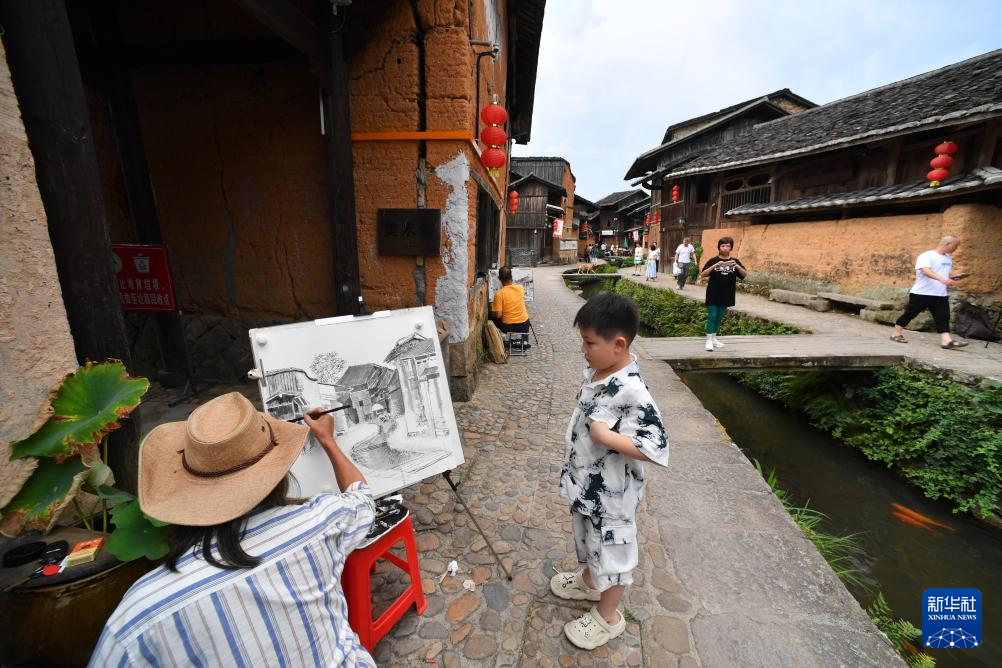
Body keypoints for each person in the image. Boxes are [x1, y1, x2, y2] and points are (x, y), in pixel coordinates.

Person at [89, 393, 376, 667]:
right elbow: (361, 498)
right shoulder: (318, 523)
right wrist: (328, 439)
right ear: (278, 474)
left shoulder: (141, 612)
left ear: (184, 488)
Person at [550, 292, 669, 650]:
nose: (583, 350)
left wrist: (607, 437)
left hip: (612, 497)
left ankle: (609, 616)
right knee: (588, 539)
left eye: (589, 343)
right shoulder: (599, 372)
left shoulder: (633, 390)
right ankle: (589, 581)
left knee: (613, 551)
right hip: (586, 486)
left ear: (618, 344)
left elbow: (656, 446)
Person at [891, 235, 970, 349]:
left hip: (940, 294)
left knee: (943, 317)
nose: (956, 249)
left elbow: (946, 273)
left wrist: (954, 276)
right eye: (955, 246)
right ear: (947, 244)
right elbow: (925, 270)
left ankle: (946, 341)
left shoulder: (948, 257)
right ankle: (896, 334)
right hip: (922, 293)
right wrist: (942, 279)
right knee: (910, 314)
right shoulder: (927, 255)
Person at [698, 236, 747, 351]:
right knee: (712, 316)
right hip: (713, 292)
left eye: (727, 246)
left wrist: (737, 266)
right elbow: (703, 274)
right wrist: (715, 266)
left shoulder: (734, 262)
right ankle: (708, 340)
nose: (725, 248)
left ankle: (714, 338)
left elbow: (744, 275)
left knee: (719, 317)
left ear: (731, 248)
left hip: (727, 293)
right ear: (719, 247)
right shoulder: (713, 260)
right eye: (723, 246)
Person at [491, 265, 532, 345]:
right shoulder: (520, 288)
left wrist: (493, 311)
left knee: (491, 316)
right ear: (511, 277)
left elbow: (498, 316)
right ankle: (525, 341)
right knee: (525, 318)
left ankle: (500, 341)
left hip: (508, 327)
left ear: (499, 279)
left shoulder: (499, 294)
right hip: (524, 325)